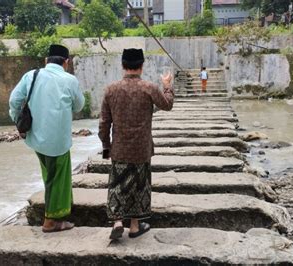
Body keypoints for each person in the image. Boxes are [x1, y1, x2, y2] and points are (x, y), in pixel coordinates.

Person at [98, 48, 174, 240]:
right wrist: (167, 86)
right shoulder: (149, 88)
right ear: (141, 66)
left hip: (120, 148)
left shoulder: (111, 89)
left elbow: (103, 123)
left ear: (123, 65)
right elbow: (168, 105)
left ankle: (116, 222)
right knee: (140, 187)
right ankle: (134, 226)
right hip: (141, 148)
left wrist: (106, 146)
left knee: (117, 185)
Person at [9, 44, 85, 233]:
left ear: (46, 60)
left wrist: (18, 121)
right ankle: (51, 221)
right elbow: (79, 106)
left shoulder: (31, 75)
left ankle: (59, 216)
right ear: (66, 62)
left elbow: (14, 101)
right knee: (58, 178)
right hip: (58, 141)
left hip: (36, 139)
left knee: (49, 175)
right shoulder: (69, 80)